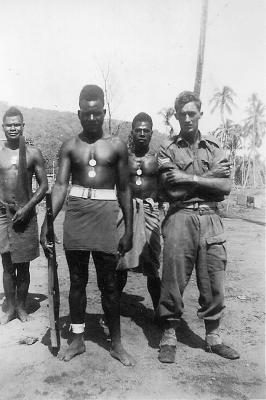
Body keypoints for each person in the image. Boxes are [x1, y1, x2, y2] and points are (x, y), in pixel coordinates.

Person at [40, 85, 135, 366]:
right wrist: (48, 222)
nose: (91, 118)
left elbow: (125, 190)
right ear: (79, 113)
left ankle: (116, 343)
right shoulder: (70, 146)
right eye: (86, 113)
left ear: (103, 112)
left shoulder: (117, 146)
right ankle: (78, 339)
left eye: (96, 113)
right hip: (77, 215)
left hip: (105, 216)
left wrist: (128, 229)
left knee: (108, 284)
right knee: (78, 282)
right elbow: (59, 186)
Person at [157, 91, 240, 363]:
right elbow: (170, 189)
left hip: (211, 219)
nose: (188, 118)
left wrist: (187, 177)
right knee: (173, 277)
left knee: (214, 278)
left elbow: (225, 187)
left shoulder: (215, 147)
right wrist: (208, 179)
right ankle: (169, 334)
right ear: (176, 116)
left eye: (193, 113)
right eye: (183, 114)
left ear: (200, 114)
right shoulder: (167, 149)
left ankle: (213, 336)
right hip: (180, 217)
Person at [0, 107, 48, 324]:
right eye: (9, 124)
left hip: (25, 214)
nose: (13, 128)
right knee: (7, 265)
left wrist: (28, 207)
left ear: (22, 126)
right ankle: (10, 308)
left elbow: (44, 185)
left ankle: (21, 307)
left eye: (16, 124)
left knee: (24, 265)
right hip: (3, 214)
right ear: (3, 127)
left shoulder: (32, 153)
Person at [116, 112, 161, 313]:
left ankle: (160, 311)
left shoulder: (158, 159)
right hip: (125, 211)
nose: (142, 134)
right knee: (120, 261)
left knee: (153, 266)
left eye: (146, 130)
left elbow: (166, 186)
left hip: (150, 212)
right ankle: (112, 309)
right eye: (138, 130)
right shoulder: (124, 158)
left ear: (151, 133)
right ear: (132, 132)